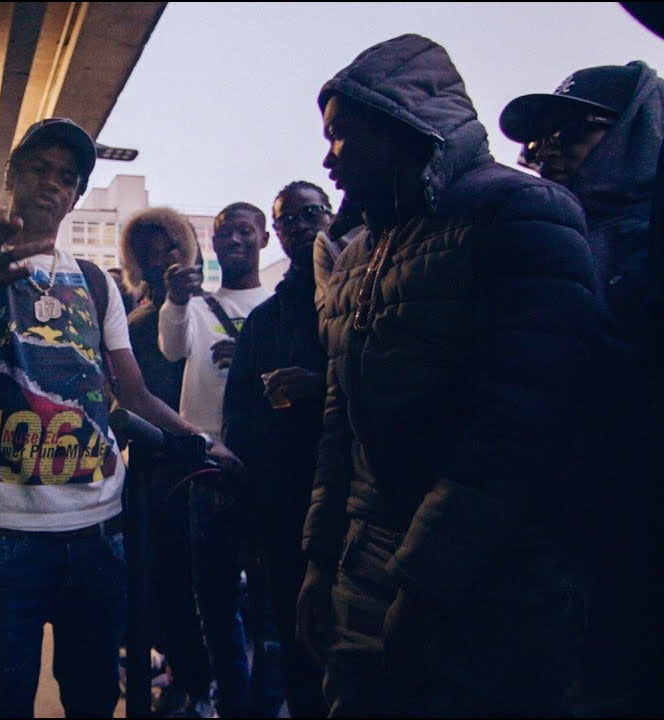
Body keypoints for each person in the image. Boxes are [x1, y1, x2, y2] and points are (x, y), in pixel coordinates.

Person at [295, 34, 598, 716]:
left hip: (491, 585)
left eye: (341, 135)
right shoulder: (357, 255)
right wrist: (319, 559)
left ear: (401, 123)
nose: (328, 158)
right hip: (364, 573)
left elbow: (519, 427)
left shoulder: (521, 212)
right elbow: (340, 425)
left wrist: (427, 584)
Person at [0, 117, 240, 718]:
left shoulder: (95, 282)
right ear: (12, 176)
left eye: (66, 178)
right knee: (4, 698)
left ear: (75, 196)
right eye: (38, 170)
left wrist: (201, 440)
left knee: (94, 696)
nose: (52, 184)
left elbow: (133, 392)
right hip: (7, 532)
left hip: (98, 529)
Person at [501, 61, 664, 716]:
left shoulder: (645, 240)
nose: (547, 149)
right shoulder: (539, 233)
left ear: (635, 128)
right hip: (556, 530)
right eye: (540, 136)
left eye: (571, 130)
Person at [220, 181, 334, 718]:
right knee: (296, 641)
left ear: (331, 216)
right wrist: (248, 515)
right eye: (288, 220)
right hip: (288, 510)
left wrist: (323, 385)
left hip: (369, 504)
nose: (300, 226)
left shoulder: (364, 293)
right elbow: (240, 421)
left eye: (310, 213)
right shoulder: (266, 320)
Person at [158, 201, 274, 718]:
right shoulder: (198, 306)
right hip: (206, 469)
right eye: (224, 232)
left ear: (264, 239)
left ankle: (267, 703)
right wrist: (175, 300)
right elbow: (170, 348)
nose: (234, 240)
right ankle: (233, 703)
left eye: (245, 231)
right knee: (215, 600)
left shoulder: (278, 306)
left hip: (264, 470)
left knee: (269, 602)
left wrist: (250, 356)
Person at [119, 207, 215, 718]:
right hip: (156, 470)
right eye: (149, 252)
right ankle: (185, 675)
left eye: (171, 246)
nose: (162, 259)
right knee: (165, 580)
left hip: (205, 462)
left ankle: (198, 680)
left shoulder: (210, 312)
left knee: (205, 582)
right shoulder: (132, 323)